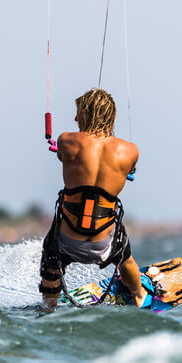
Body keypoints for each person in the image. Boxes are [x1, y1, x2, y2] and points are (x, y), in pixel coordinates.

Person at [39, 88, 144, 310]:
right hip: (105, 243)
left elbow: (62, 155)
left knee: (50, 255)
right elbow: (129, 169)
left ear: (87, 113)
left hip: (67, 240)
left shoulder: (66, 140)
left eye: (78, 113)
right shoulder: (130, 150)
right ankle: (138, 295)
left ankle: (48, 306)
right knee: (125, 258)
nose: (76, 118)